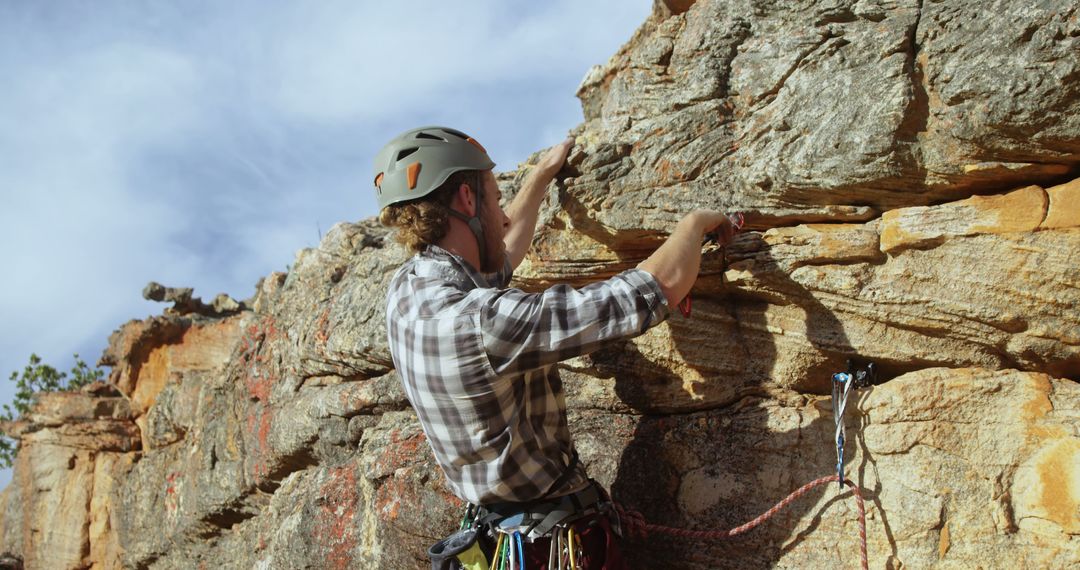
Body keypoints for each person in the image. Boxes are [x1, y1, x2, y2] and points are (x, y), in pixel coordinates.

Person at [375, 126, 736, 569]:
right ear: (467, 202)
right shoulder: (486, 323)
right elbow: (650, 290)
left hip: (500, 537)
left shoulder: (407, 293)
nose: (504, 216)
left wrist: (543, 176)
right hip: (552, 549)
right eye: (493, 198)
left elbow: (499, 254)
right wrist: (695, 224)